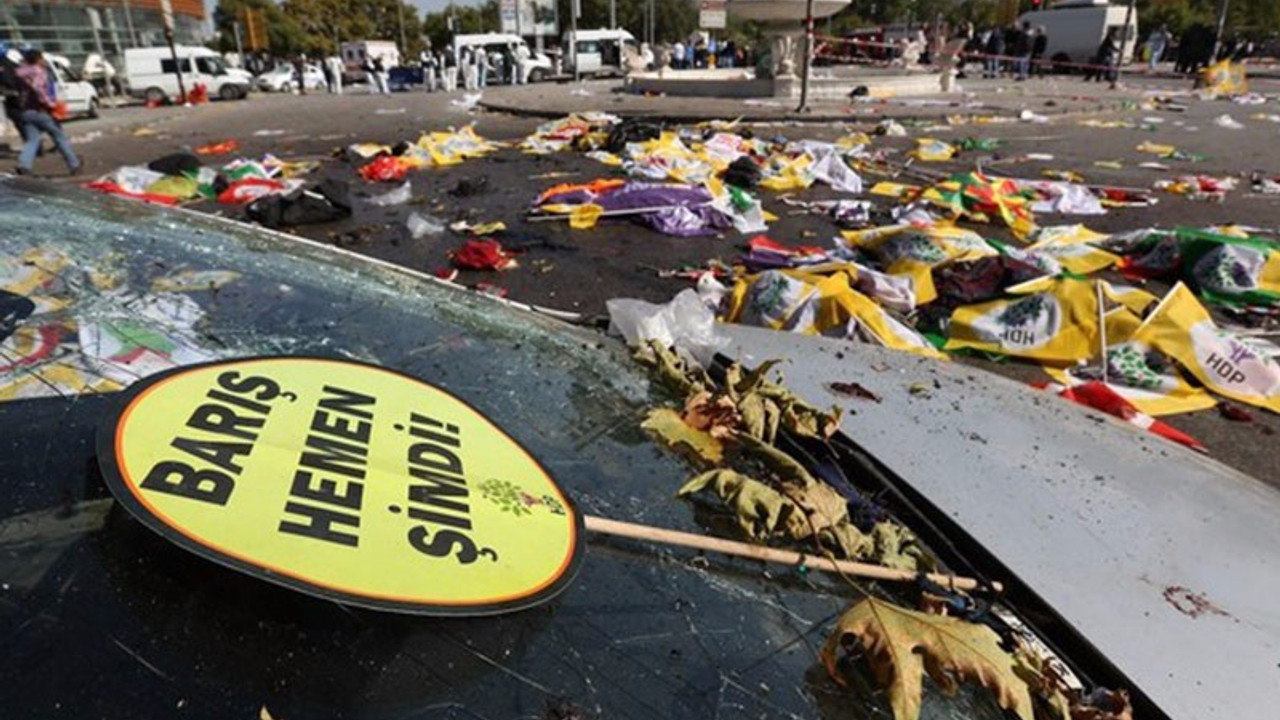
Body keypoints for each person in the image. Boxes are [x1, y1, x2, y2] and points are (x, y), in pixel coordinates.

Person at [13, 49, 80, 176]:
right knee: (59, 136)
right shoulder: (38, 72)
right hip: (39, 110)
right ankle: (74, 164)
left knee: (33, 139)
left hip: (24, 111)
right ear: (38, 59)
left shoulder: (18, 73)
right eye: (41, 58)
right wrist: (51, 104)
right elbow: (39, 90)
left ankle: (24, 165)